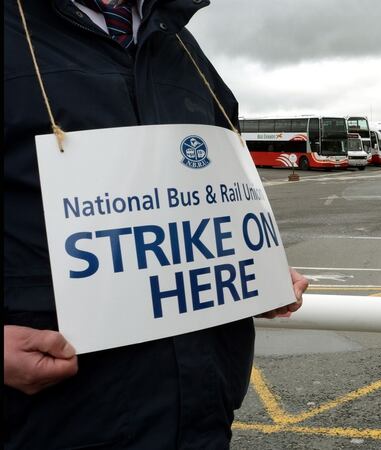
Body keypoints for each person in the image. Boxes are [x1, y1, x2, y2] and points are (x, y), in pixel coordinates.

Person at [4, 0, 308, 447]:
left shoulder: (178, 42)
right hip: (54, 420)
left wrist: (252, 274)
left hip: (200, 414)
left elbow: (200, 196)